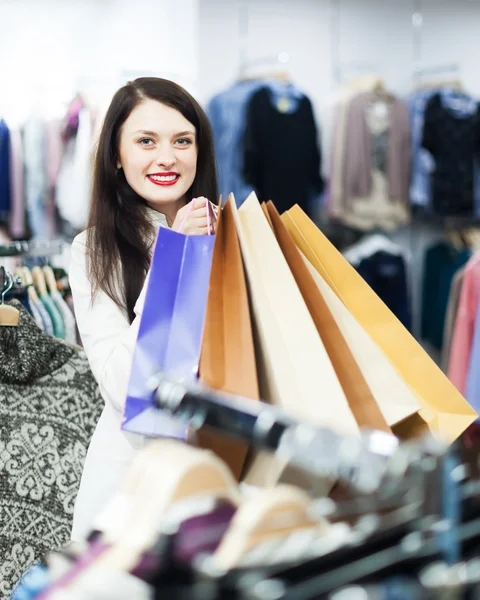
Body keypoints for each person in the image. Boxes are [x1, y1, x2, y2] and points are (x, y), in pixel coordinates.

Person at [68, 77, 219, 541]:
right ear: (116, 154)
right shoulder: (93, 250)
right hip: (131, 479)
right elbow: (120, 384)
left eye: (182, 141)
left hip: (216, 471)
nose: (167, 157)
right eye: (146, 141)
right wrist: (174, 261)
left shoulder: (232, 235)